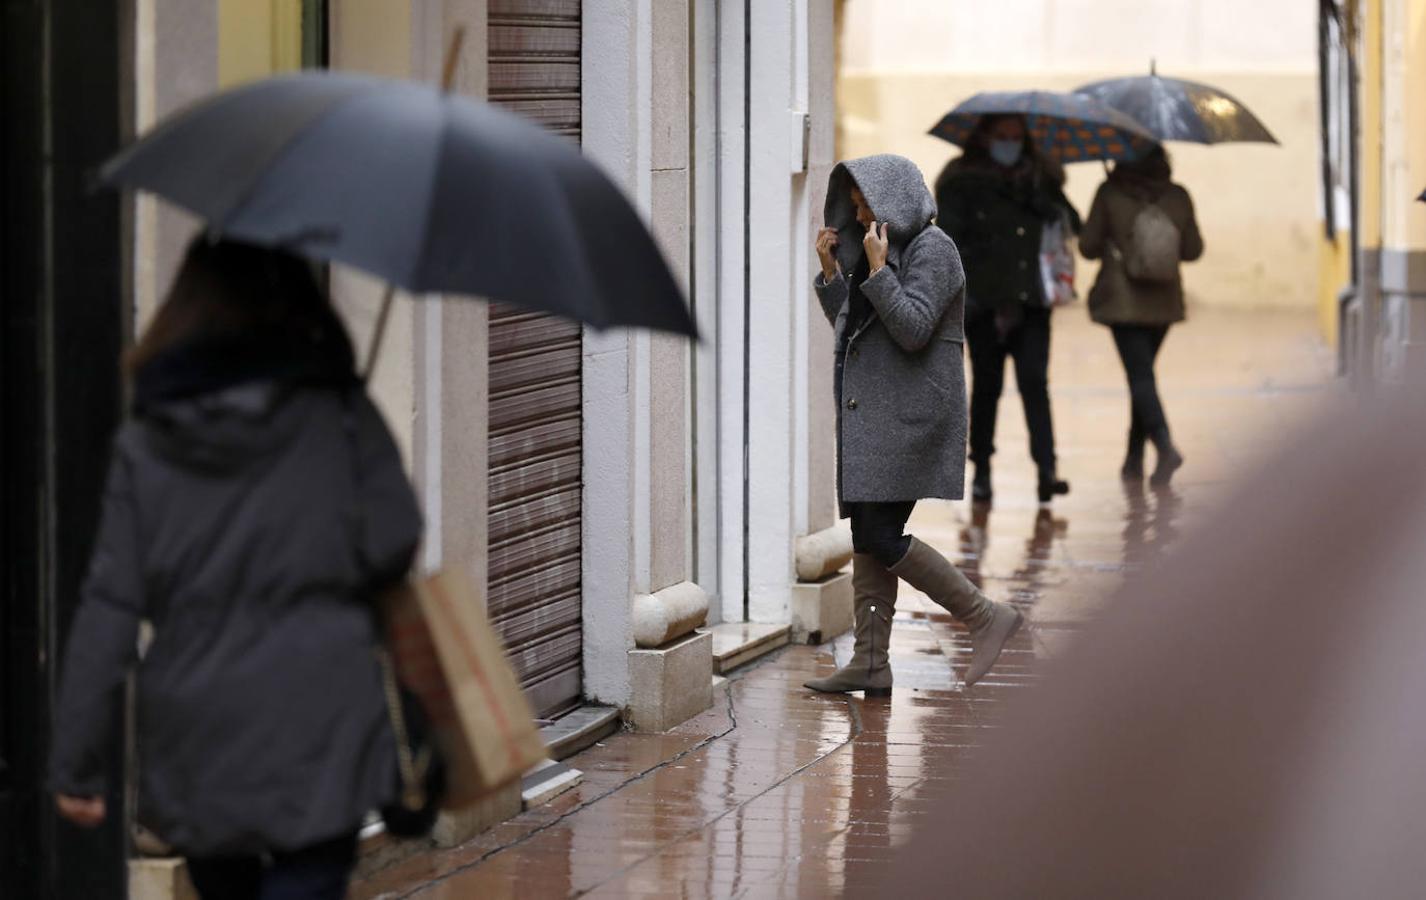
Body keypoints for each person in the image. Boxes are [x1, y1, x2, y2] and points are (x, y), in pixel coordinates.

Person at [49, 237, 421, 900]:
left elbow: (109, 604)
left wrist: (77, 760)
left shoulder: (148, 441)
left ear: (184, 313)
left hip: (198, 728)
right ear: (299, 306)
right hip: (323, 717)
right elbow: (396, 539)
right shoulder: (337, 413)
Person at [804, 153, 1023, 696]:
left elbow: (913, 328)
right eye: (853, 207)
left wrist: (878, 272)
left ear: (891, 201)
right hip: (876, 416)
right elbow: (855, 329)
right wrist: (834, 276)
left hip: (909, 418)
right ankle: (871, 662)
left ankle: (984, 616)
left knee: (880, 533)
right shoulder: (889, 248)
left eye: (863, 206)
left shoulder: (934, 250)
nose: (856, 218)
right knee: (866, 534)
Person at [935, 114, 1080, 505]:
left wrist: (1046, 204)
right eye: (1002, 136)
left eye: (1017, 137)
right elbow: (947, 239)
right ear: (984, 138)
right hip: (983, 303)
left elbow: (1074, 224)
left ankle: (1047, 471)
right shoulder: (961, 181)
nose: (1010, 144)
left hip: (1031, 302)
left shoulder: (1040, 178)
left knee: (1035, 383)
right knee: (987, 387)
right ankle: (982, 468)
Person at [1079, 145, 1203, 486]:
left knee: (1140, 376)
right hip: (1164, 302)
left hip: (1122, 301)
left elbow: (1088, 247)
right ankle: (1133, 459)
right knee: (1143, 374)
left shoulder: (1111, 191)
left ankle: (1164, 446)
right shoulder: (1178, 196)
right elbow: (1193, 250)